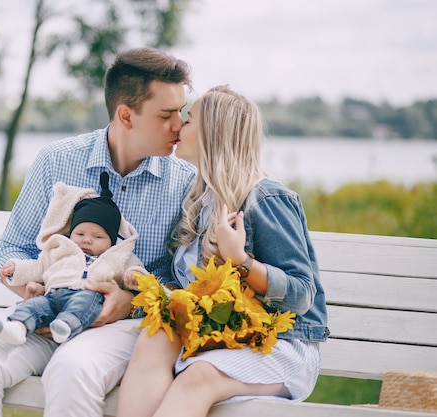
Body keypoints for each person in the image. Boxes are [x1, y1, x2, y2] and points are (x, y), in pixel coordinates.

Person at [0, 47, 196, 417]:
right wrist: (32, 288)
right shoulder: (57, 160)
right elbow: (12, 246)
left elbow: (186, 282)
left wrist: (130, 301)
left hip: (126, 326)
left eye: (181, 112)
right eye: (166, 115)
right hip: (46, 312)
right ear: (126, 115)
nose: (180, 125)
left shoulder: (186, 183)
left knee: (72, 369)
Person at [116, 85, 329, 417]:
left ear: (212, 134)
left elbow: (302, 295)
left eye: (188, 120)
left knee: (198, 375)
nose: (177, 127)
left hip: (279, 345)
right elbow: (183, 285)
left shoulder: (267, 199)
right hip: (219, 334)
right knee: (155, 337)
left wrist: (241, 261)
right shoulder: (198, 200)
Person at [0, 172, 147, 345]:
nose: (87, 240)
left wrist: (135, 276)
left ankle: (65, 325)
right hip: (52, 295)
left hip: (88, 294)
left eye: (97, 237)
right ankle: (17, 327)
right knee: (34, 306)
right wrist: (16, 269)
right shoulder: (60, 250)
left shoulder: (117, 258)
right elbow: (38, 267)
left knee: (84, 303)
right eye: (80, 233)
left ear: (112, 241)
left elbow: (135, 270)